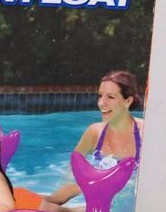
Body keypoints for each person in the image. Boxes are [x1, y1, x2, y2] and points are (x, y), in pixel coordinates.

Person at [48, 70, 143, 204]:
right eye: (100, 96)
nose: (101, 103)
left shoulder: (145, 134)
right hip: (96, 202)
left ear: (127, 101)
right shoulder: (94, 132)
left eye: (110, 97)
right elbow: (71, 173)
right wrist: (57, 200)